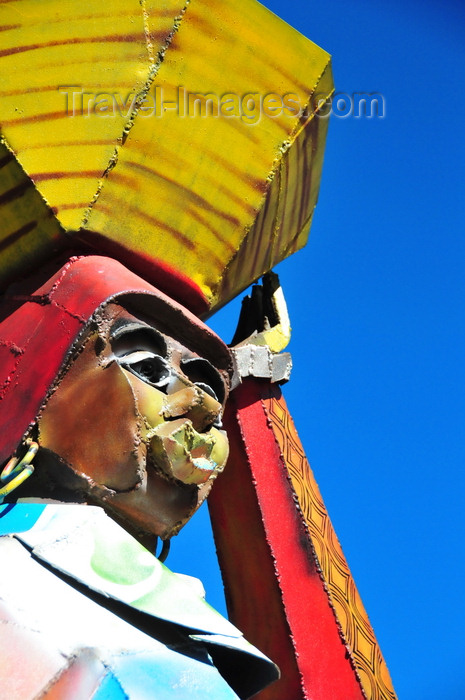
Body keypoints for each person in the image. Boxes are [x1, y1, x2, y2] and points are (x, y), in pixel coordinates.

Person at [0, 255, 278, 699]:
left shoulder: (190, 620)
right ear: (43, 381)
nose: (205, 409)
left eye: (211, 393)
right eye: (149, 369)